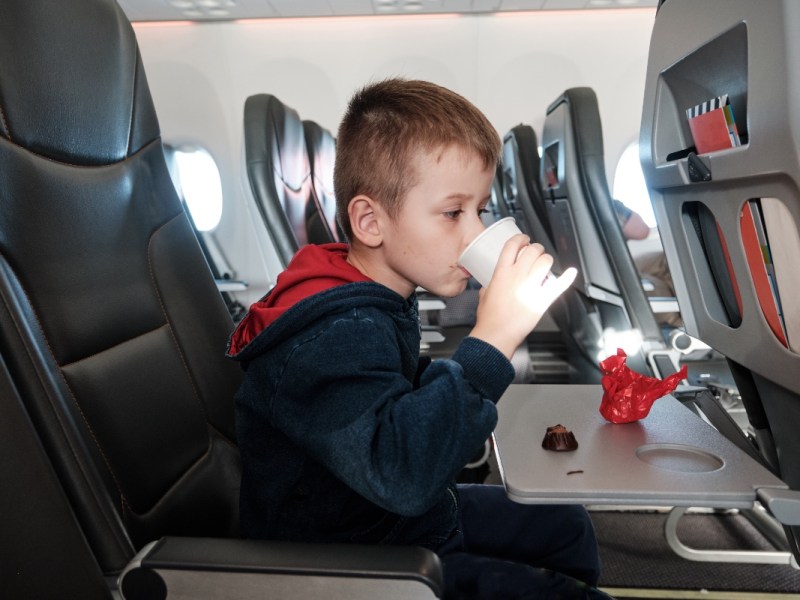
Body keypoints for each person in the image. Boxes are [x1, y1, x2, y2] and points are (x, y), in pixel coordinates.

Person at [227, 78, 610, 599]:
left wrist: (455, 375)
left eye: (479, 210)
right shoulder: (331, 334)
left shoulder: (371, 296)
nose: (475, 232)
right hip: (350, 561)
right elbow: (401, 475)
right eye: (453, 212)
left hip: (395, 520)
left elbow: (387, 396)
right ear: (369, 221)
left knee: (566, 524)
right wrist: (492, 339)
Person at [613, 199, 682, 328]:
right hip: (619, 280)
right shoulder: (600, 200)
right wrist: (616, 207)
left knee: (667, 260)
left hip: (610, 272)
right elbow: (641, 231)